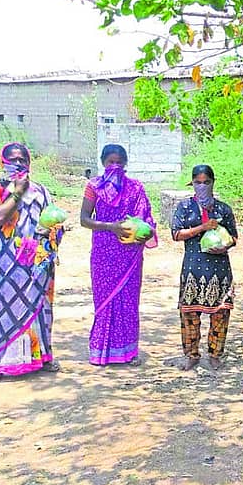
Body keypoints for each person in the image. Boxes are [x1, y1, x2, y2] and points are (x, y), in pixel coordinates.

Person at [0, 143, 64, 384]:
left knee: (39, 309)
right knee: (2, 310)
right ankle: (0, 363)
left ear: (29, 163)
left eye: (22, 160)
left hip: (35, 261)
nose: (17, 164)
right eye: (11, 159)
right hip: (2, 264)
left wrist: (50, 241)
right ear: (1, 162)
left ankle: (42, 357)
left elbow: (55, 221)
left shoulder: (41, 191)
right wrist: (17, 191)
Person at [80, 144, 157, 366]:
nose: (115, 165)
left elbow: (146, 219)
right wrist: (111, 226)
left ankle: (128, 352)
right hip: (103, 252)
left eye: (119, 161)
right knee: (104, 300)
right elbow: (84, 220)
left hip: (129, 254)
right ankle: (101, 352)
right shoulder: (94, 186)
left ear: (125, 163)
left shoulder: (136, 188)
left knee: (128, 301)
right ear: (103, 162)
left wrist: (147, 231)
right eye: (111, 161)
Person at [171, 165, 238, 371]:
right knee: (190, 314)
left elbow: (234, 237)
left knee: (220, 313)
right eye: (198, 182)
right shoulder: (184, 207)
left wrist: (225, 245)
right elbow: (175, 234)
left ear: (213, 183)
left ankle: (215, 354)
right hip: (193, 268)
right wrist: (202, 228)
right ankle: (191, 354)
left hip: (219, 268)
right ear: (192, 183)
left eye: (206, 182)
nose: (202, 186)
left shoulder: (223, 209)